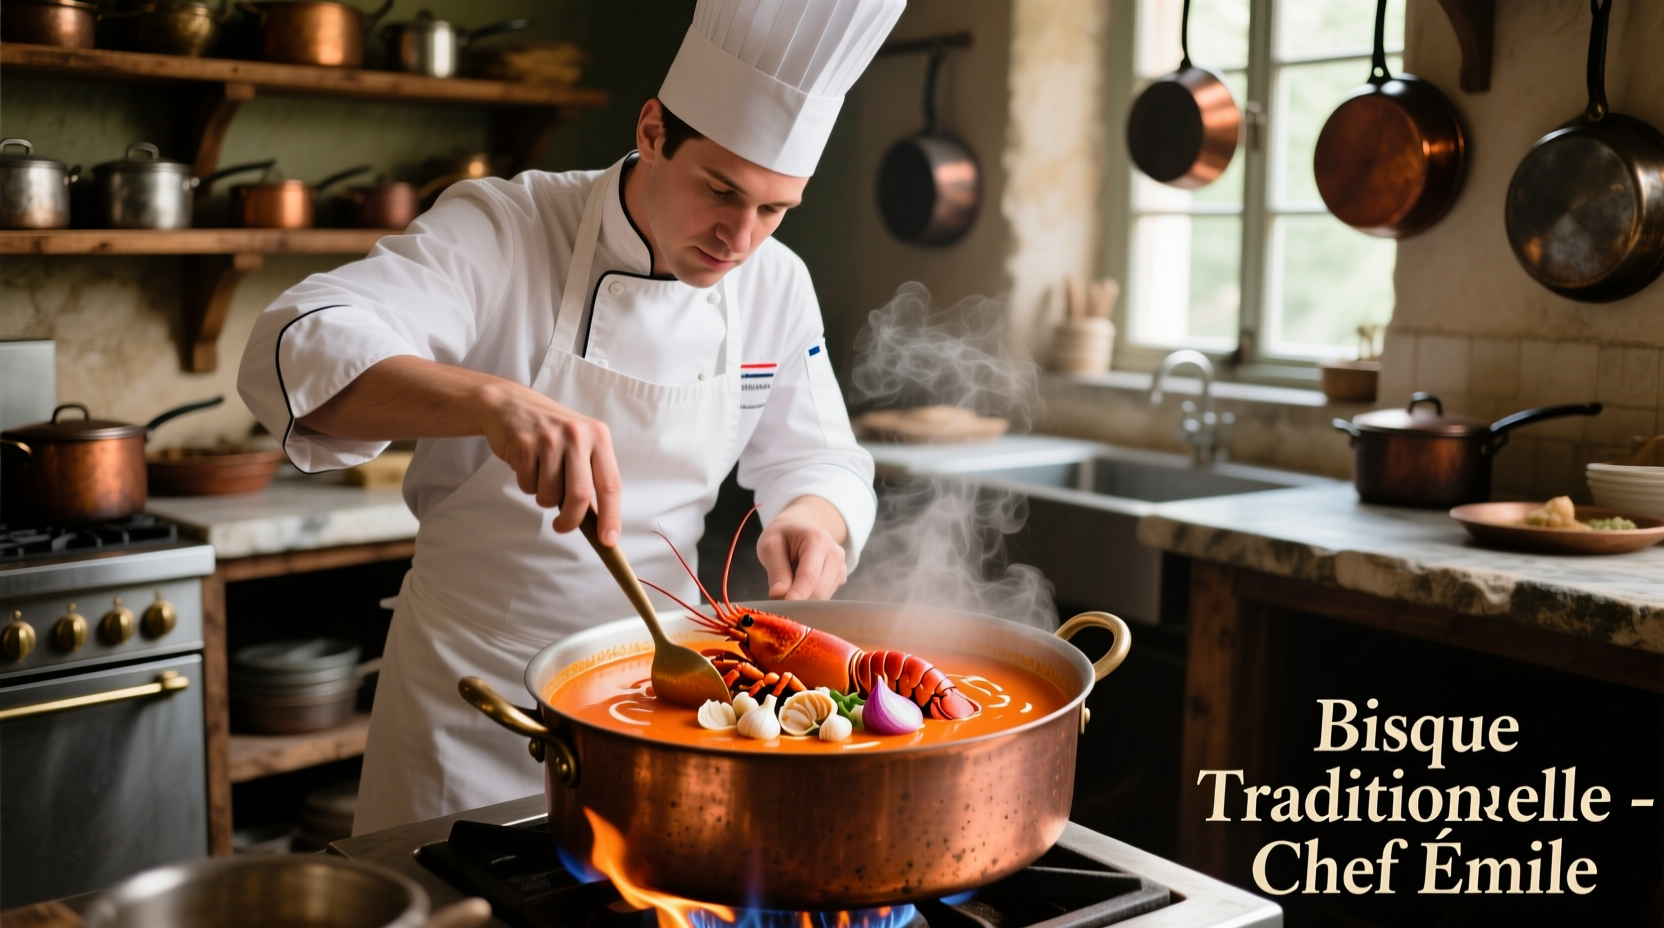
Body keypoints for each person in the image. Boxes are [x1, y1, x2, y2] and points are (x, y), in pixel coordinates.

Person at [237, 0, 905, 834]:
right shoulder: (505, 227)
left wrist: (815, 519)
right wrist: (491, 401)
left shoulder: (776, 283)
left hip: (657, 696)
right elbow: (295, 346)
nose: (740, 238)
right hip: (473, 699)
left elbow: (822, 458)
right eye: (721, 191)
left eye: (775, 210)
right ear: (654, 130)